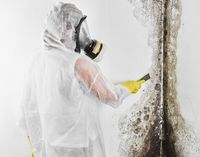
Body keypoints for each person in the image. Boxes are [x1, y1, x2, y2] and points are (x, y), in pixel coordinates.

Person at [17, 2, 145, 157]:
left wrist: (34, 147)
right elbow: (110, 96)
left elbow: (27, 109)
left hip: (51, 146)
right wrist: (128, 87)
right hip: (78, 147)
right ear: (67, 28)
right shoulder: (78, 63)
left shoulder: (35, 60)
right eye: (79, 28)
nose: (83, 35)